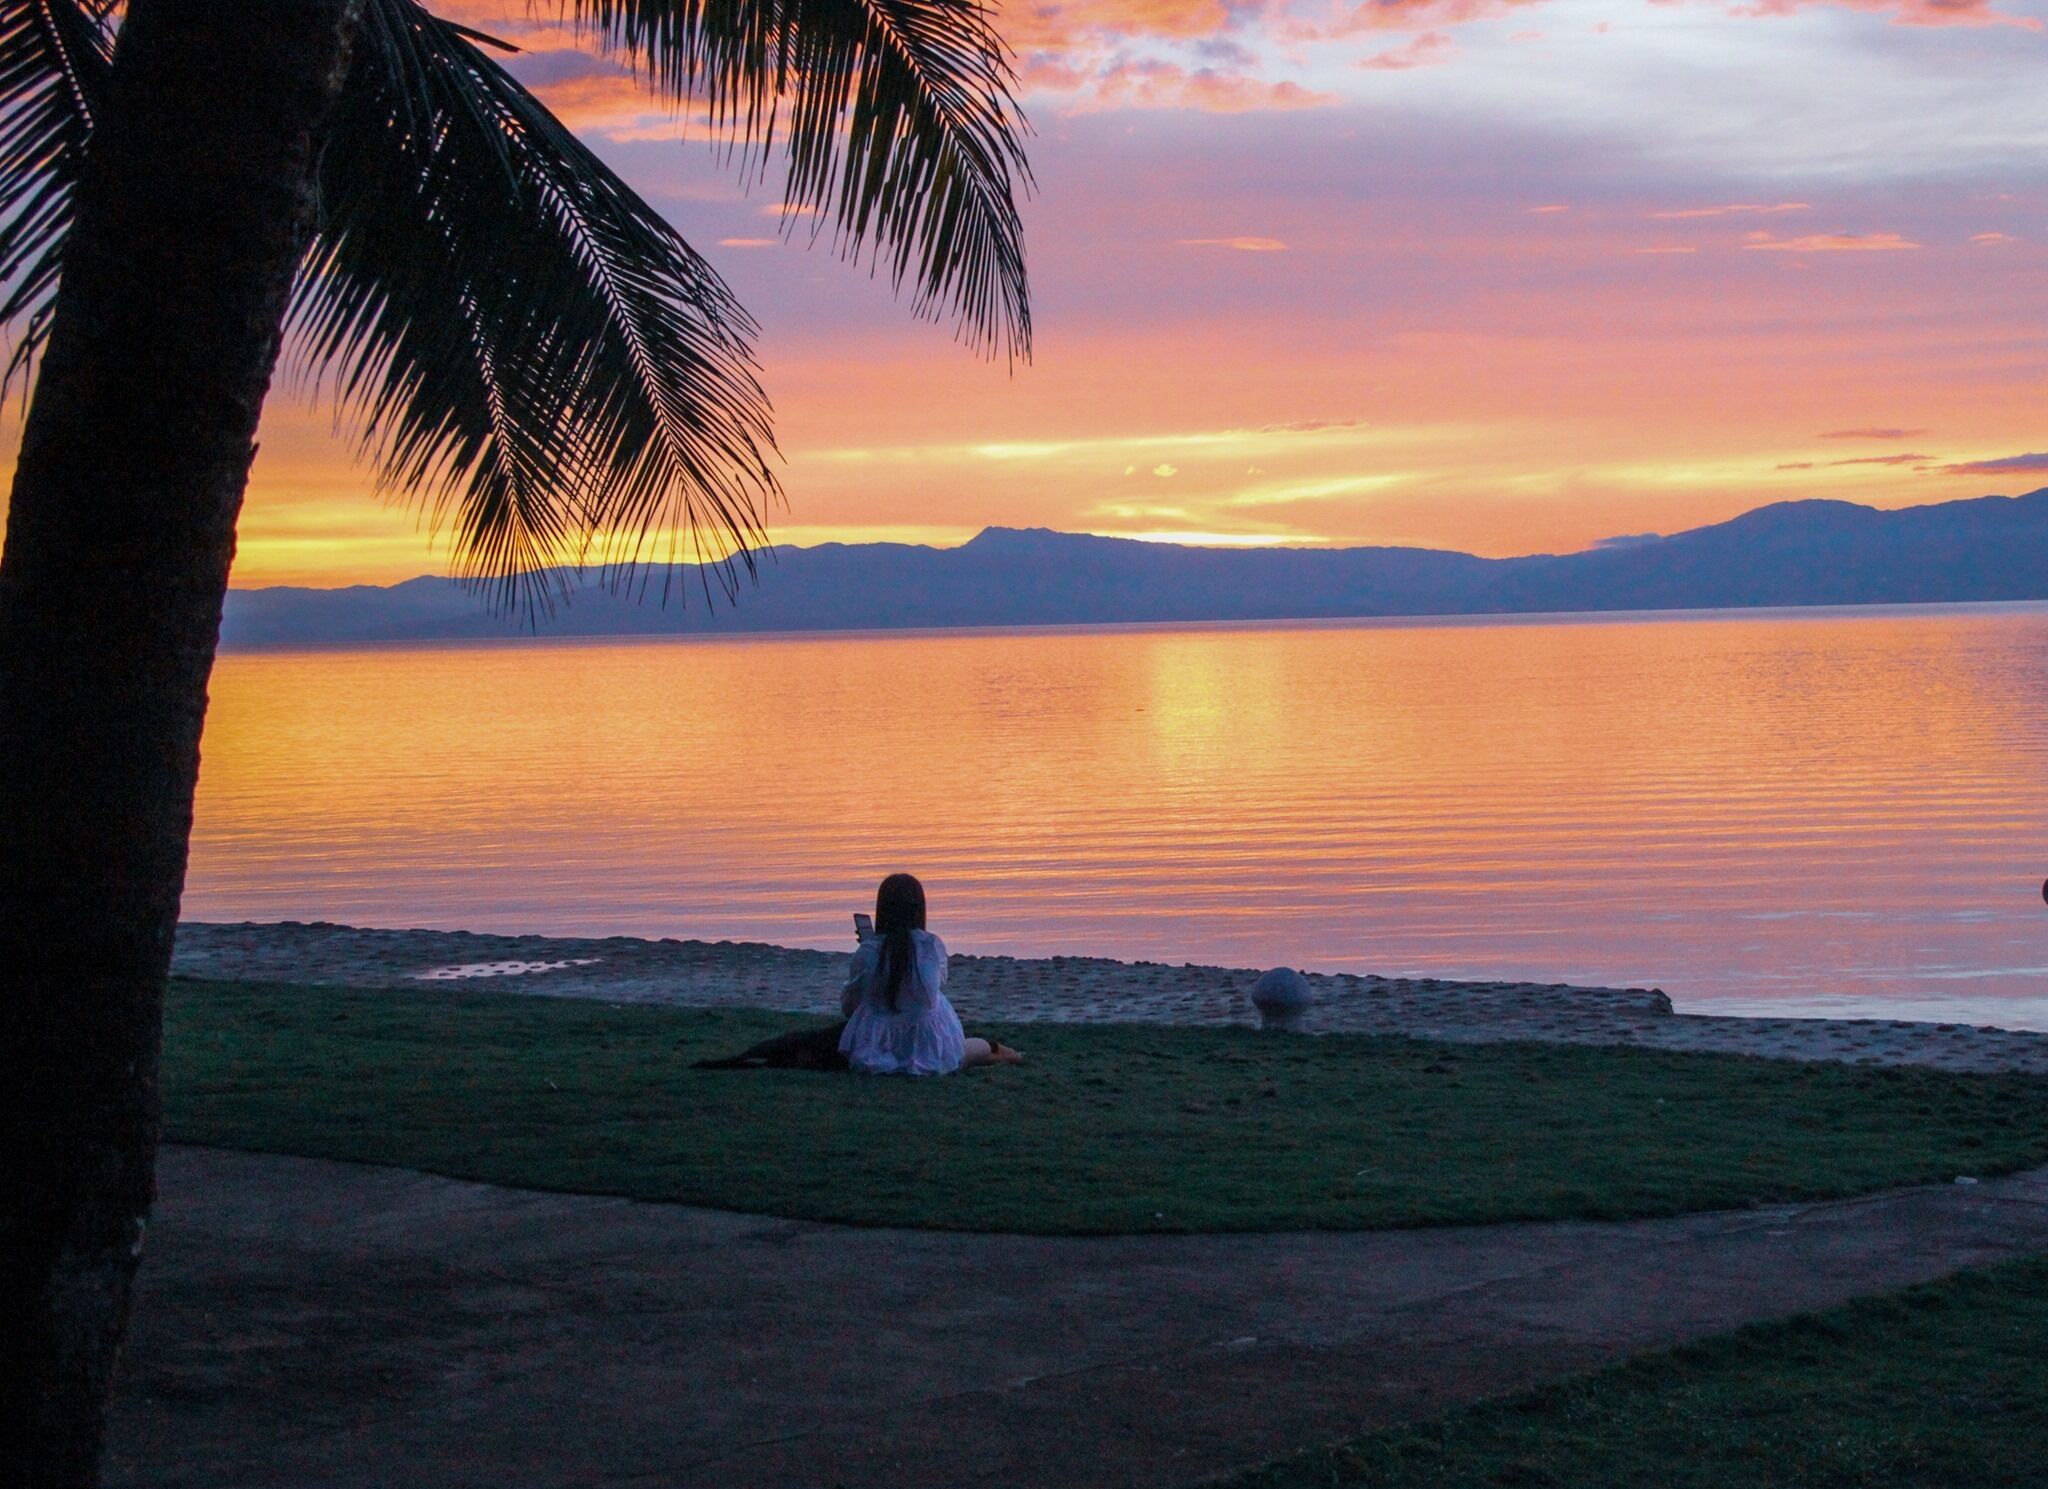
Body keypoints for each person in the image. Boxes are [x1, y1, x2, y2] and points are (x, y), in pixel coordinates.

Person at [840, 873, 1021, 1075]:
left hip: (878, 1047)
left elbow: (849, 1007)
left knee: (968, 1053)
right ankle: (1003, 1052)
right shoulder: (930, 946)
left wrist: (874, 950)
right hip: (927, 1046)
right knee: (971, 1051)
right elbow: (938, 983)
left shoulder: (869, 952)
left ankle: (1000, 1054)